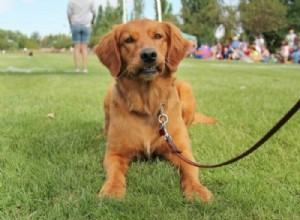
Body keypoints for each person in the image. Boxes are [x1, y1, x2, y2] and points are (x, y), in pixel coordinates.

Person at [67, 0, 97, 73]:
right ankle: (85, 69)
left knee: (77, 47)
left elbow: (69, 14)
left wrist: (70, 24)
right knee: (84, 48)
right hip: (86, 25)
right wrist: (92, 21)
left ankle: (77, 68)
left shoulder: (71, 1)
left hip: (75, 24)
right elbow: (94, 12)